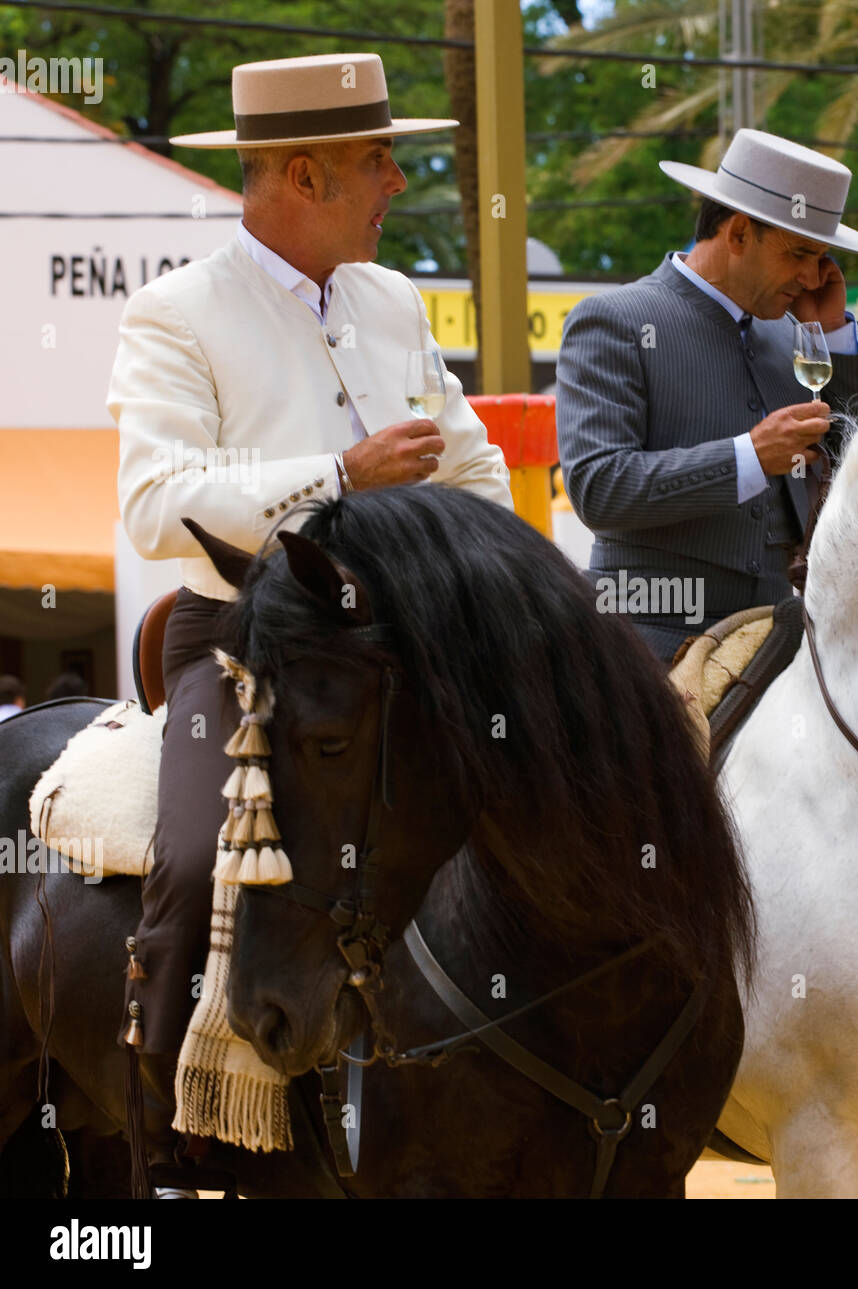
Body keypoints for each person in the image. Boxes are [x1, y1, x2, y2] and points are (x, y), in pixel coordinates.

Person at [110, 52, 513, 1175]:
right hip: (243, 653)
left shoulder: (390, 299)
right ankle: (167, 1162)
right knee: (194, 868)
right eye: (377, 160)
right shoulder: (174, 311)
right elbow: (153, 507)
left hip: (410, 653)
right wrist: (338, 475)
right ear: (302, 174)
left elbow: (472, 472)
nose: (396, 181)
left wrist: (521, 597)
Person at [556, 128, 858, 662]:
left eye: (820, 257)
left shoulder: (798, 332)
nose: (811, 276)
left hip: (784, 642)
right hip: (642, 647)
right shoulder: (614, 320)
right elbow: (598, 488)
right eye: (800, 253)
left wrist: (834, 335)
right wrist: (750, 457)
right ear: (737, 234)